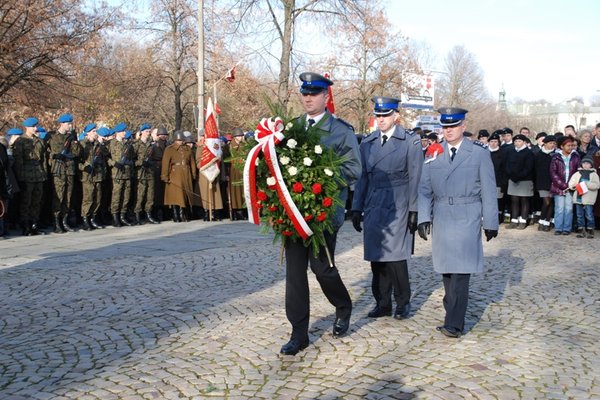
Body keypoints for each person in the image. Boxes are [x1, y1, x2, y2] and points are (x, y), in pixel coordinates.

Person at [279, 72, 361, 356]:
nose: (308, 98)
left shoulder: (341, 130)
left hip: (323, 213)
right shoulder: (292, 128)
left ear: (326, 96)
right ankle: (298, 333)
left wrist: (320, 176)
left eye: (314, 93)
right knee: (294, 273)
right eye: (304, 93)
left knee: (322, 268)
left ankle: (343, 306)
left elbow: (353, 170)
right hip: (293, 213)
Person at [417, 107, 498, 338]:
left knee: (461, 272)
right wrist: (424, 217)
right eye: (445, 126)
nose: (449, 130)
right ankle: (451, 311)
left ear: (463, 126)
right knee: (446, 270)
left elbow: (489, 189)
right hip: (442, 214)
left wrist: (490, 221)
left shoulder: (479, 153)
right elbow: (424, 189)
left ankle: (454, 323)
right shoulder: (434, 151)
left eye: (453, 126)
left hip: (467, 214)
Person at [351, 96, 423, 320]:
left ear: (396, 116)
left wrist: (414, 210)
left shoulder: (410, 141)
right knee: (377, 256)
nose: (381, 120)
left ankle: (403, 301)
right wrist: (357, 206)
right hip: (374, 202)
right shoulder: (368, 142)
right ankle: (382, 302)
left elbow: (416, 177)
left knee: (395, 257)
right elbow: (362, 177)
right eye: (378, 115)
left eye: (385, 115)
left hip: (398, 202)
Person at [12, 119, 47, 235]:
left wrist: (44, 173)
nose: (35, 129)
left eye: (36, 126)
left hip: (38, 174)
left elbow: (43, 159)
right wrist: (20, 177)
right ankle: (25, 225)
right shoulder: (20, 141)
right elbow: (18, 161)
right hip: (26, 175)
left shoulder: (39, 141)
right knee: (26, 201)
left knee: (37, 201)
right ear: (27, 127)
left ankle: (34, 223)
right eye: (33, 127)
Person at [48, 113, 81, 233]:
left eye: (70, 123)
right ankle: (56, 222)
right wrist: (55, 155)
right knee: (59, 197)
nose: (70, 125)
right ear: (61, 124)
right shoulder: (52, 137)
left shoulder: (71, 137)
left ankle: (64, 220)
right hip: (59, 170)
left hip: (70, 170)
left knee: (68, 197)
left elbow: (76, 153)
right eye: (68, 123)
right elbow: (49, 153)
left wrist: (75, 140)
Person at [162, 130, 197, 222]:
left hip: (186, 172)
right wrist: (165, 176)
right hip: (175, 173)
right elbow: (165, 163)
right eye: (179, 140)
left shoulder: (187, 149)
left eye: (182, 140)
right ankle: (175, 214)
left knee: (186, 194)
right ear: (175, 140)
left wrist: (193, 174)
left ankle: (184, 213)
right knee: (176, 195)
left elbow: (192, 162)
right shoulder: (169, 149)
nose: (181, 141)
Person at [549, 136, 580, 235]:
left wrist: (572, 185)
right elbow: (553, 173)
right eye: (568, 145)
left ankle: (567, 228)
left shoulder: (575, 156)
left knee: (569, 208)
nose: (570, 147)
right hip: (559, 187)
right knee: (559, 208)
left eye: (571, 145)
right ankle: (558, 228)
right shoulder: (556, 157)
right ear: (562, 146)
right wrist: (563, 185)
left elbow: (578, 172)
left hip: (571, 187)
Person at [78, 123, 107, 230]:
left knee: (97, 199)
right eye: (94, 131)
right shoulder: (82, 144)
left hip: (97, 175)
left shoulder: (98, 145)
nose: (96, 133)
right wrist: (84, 167)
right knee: (88, 199)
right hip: (87, 176)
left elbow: (103, 160)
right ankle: (85, 219)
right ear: (88, 133)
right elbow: (77, 161)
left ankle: (93, 218)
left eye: (96, 131)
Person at [505, 133, 535, 229]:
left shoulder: (528, 153)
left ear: (524, 142)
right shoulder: (511, 151)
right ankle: (514, 220)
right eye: (516, 141)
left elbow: (529, 167)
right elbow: (507, 165)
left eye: (519, 141)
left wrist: (519, 176)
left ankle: (523, 220)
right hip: (513, 179)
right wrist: (511, 175)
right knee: (514, 200)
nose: (517, 143)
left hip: (525, 179)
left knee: (524, 200)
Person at [108, 123, 135, 227]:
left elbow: (132, 158)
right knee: (117, 196)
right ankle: (115, 217)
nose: (125, 133)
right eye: (123, 131)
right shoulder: (112, 143)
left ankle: (122, 216)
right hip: (117, 174)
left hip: (127, 173)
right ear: (118, 132)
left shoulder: (128, 145)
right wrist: (114, 163)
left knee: (126, 196)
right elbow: (106, 157)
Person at [133, 123, 159, 225]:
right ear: (141, 132)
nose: (148, 133)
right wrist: (141, 163)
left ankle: (148, 213)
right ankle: (137, 214)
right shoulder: (136, 145)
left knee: (150, 195)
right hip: (140, 173)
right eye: (146, 132)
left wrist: (151, 163)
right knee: (140, 195)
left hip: (150, 172)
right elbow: (132, 161)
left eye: (149, 131)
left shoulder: (151, 145)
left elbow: (155, 158)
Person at [569, 156, 599, 238]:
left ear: (591, 165)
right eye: (584, 163)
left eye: (588, 163)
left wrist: (587, 184)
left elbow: (597, 185)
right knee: (579, 215)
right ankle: (581, 230)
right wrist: (573, 186)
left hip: (588, 198)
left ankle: (590, 230)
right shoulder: (577, 173)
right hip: (578, 198)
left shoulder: (594, 174)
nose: (585, 165)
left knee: (589, 214)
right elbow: (571, 183)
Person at [534, 135, 556, 231]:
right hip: (542, 182)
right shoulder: (538, 154)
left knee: (550, 202)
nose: (552, 145)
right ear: (545, 143)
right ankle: (541, 220)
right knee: (546, 201)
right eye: (550, 143)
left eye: (554, 143)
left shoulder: (555, 155)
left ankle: (547, 222)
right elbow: (534, 169)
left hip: (553, 182)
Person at [228, 128, 246, 220]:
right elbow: (226, 160)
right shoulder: (230, 146)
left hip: (242, 170)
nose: (241, 137)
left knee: (243, 190)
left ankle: (243, 210)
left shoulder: (244, 145)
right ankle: (236, 211)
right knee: (235, 191)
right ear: (234, 137)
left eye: (241, 135)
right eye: (239, 136)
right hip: (234, 170)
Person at [488, 133, 507, 223]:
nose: (493, 143)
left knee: (498, 200)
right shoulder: (485, 152)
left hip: (498, 181)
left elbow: (504, 169)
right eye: (491, 141)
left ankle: (499, 216)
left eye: (495, 141)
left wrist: (503, 182)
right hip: (486, 181)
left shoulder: (502, 153)